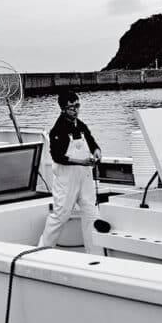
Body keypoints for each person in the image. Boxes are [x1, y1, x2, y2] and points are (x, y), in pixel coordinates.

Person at [38, 91, 102, 255]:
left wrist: (96, 151)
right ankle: (43, 250)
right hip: (66, 180)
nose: (75, 110)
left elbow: (92, 142)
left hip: (85, 177)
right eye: (71, 107)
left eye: (77, 106)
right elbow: (57, 157)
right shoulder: (57, 131)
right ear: (63, 109)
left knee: (91, 214)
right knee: (61, 215)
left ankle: (95, 253)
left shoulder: (81, 125)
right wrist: (81, 162)